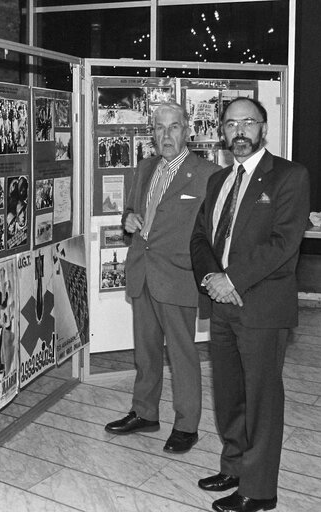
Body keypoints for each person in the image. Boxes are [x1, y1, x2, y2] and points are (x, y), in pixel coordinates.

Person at [190, 97, 309, 512]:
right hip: (221, 304)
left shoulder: (289, 176)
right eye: (231, 124)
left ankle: (258, 491)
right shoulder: (217, 180)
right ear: (222, 131)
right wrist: (211, 279)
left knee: (261, 398)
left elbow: (284, 243)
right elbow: (202, 238)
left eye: (249, 122)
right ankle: (234, 466)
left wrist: (232, 279)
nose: (239, 131)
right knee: (229, 394)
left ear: (263, 128)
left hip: (261, 306)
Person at [104, 103, 220, 454]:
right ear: (151, 132)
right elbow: (132, 211)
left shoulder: (207, 174)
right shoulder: (144, 168)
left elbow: (213, 230)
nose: (165, 135)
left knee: (183, 356)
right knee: (147, 352)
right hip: (142, 271)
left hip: (179, 276)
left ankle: (186, 426)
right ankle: (145, 413)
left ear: (188, 130)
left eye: (173, 127)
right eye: (158, 128)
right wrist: (127, 219)